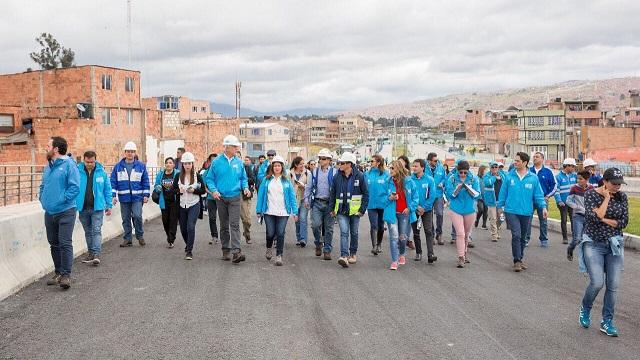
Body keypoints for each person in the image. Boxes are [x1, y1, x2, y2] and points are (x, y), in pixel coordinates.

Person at [577, 167, 628, 337]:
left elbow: (623, 222)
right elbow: (593, 218)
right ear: (604, 182)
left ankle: (607, 321)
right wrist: (606, 199)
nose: (617, 187)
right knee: (597, 282)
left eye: (620, 184)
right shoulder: (591, 194)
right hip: (593, 244)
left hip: (614, 245)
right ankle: (586, 308)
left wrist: (603, 218)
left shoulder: (622, 197)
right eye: (614, 184)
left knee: (613, 286)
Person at [40, 136, 80, 289]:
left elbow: (75, 187)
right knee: (53, 243)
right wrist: (42, 198)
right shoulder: (48, 166)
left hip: (66, 211)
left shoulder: (70, 165)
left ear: (56, 149)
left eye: (48, 145)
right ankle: (58, 272)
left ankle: (66, 275)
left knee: (64, 243)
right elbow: (43, 185)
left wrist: (62, 199)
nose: (45, 147)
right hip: (49, 212)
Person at [205, 135, 251, 263]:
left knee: (235, 224)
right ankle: (226, 250)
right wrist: (214, 191)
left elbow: (243, 178)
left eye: (237, 146)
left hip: (235, 197)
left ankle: (236, 252)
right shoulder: (216, 162)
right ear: (227, 147)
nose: (237, 148)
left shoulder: (239, 162)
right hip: (221, 198)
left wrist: (245, 188)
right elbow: (209, 179)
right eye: (235, 146)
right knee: (224, 225)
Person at [498, 152, 547, 272]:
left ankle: (520, 257)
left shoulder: (533, 178)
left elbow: (538, 195)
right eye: (515, 160)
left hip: (526, 212)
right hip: (511, 211)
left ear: (525, 163)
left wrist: (543, 207)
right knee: (516, 235)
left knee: (523, 237)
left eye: (518, 161)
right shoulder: (509, 177)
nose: (515, 162)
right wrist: (500, 207)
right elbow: (503, 193)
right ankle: (517, 261)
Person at [256, 155, 299, 266]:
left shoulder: (286, 181)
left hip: (283, 212)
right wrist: (258, 210)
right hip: (269, 211)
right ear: (272, 167)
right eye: (275, 165)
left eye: (279, 166)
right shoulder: (266, 180)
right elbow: (261, 195)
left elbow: (292, 197)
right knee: (270, 233)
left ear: (282, 167)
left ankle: (279, 255)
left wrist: (295, 212)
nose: (277, 168)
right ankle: (269, 247)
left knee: (280, 233)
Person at [330, 152, 368, 268]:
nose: (340, 164)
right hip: (341, 210)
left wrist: (362, 210)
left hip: (355, 212)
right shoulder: (337, 176)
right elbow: (332, 194)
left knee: (354, 232)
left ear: (349, 164)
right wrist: (332, 208)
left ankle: (353, 253)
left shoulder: (360, 176)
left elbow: (366, 194)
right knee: (344, 232)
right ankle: (344, 256)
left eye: (342, 163)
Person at [111, 141, 150, 247]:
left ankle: (139, 235)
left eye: (132, 151)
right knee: (126, 219)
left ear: (135, 153)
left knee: (137, 216)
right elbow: (113, 182)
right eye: (128, 151)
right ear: (125, 152)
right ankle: (127, 239)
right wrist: (113, 196)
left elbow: (145, 181)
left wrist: (146, 195)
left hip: (137, 197)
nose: (130, 153)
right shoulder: (118, 167)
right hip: (124, 198)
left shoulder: (141, 166)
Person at [76, 150, 112, 266]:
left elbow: (107, 190)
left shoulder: (102, 172)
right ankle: (91, 253)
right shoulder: (77, 172)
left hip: (97, 207)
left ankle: (96, 254)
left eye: (92, 162)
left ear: (95, 160)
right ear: (84, 160)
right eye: (87, 162)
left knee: (96, 230)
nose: (90, 164)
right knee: (88, 231)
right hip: (83, 207)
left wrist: (109, 205)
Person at [383, 160, 418, 270]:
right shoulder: (387, 182)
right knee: (394, 237)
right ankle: (394, 260)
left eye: (393, 168)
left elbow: (415, 198)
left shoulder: (409, 182)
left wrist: (410, 208)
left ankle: (402, 254)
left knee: (403, 237)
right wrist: (390, 198)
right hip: (391, 213)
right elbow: (381, 199)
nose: (391, 170)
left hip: (404, 214)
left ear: (398, 169)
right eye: (390, 168)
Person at [445, 160, 481, 268]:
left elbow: (478, 194)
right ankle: (460, 257)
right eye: (461, 172)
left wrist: (470, 190)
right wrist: (457, 189)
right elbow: (449, 194)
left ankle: (464, 252)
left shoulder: (474, 178)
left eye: (465, 172)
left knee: (466, 233)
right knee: (460, 233)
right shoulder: (452, 178)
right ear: (457, 171)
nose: (463, 174)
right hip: (456, 208)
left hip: (470, 209)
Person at [304, 148, 336, 259]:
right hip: (317, 202)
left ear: (329, 160)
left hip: (330, 203)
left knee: (329, 228)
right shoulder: (314, 172)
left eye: (323, 159)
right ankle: (318, 243)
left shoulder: (334, 172)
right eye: (320, 158)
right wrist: (306, 200)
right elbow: (309, 187)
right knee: (315, 225)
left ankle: (327, 250)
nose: (320, 161)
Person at [172, 152, 205, 260]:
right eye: (185, 163)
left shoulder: (197, 176)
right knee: (183, 229)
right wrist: (179, 191)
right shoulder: (177, 176)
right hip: (181, 205)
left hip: (194, 204)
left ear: (192, 164)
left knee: (190, 226)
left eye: (189, 163)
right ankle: (188, 244)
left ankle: (189, 251)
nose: (187, 166)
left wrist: (194, 190)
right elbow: (172, 190)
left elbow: (203, 190)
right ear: (182, 164)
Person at [525, 151, 556, 248]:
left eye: (537, 157)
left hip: (542, 200)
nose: (534, 158)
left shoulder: (548, 172)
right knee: (527, 220)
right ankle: (526, 239)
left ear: (542, 159)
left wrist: (547, 196)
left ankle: (544, 239)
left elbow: (554, 186)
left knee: (543, 221)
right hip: (529, 200)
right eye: (533, 157)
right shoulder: (528, 171)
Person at [410, 159, 437, 263]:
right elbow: (409, 195)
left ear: (422, 167)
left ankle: (431, 254)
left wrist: (424, 208)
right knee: (416, 232)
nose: (414, 168)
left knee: (428, 231)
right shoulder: (410, 180)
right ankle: (418, 252)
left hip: (427, 210)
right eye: (413, 166)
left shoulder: (429, 179)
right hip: (414, 209)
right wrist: (417, 207)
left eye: (416, 166)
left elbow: (432, 195)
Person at [566, 170, 594, 261]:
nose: (578, 180)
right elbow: (568, 201)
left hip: (588, 217)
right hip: (577, 216)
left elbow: (594, 202)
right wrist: (577, 207)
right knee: (577, 238)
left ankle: (584, 258)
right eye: (577, 178)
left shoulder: (591, 188)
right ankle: (570, 249)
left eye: (580, 179)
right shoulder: (574, 188)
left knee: (585, 239)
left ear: (587, 179)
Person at [365, 154, 390, 255]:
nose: (370, 163)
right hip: (371, 204)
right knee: (373, 225)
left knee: (380, 226)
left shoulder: (386, 175)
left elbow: (390, 188)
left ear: (378, 163)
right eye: (370, 161)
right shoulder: (366, 174)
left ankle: (379, 243)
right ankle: (374, 246)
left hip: (383, 204)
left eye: (372, 161)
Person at [154, 157, 180, 248]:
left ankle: (171, 239)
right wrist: (157, 187)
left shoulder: (177, 173)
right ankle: (169, 235)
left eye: (170, 162)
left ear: (173, 164)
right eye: (167, 163)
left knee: (173, 221)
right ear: (165, 165)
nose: (168, 164)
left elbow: (180, 184)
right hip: (164, 201)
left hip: (174, 201)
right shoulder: (160, 175)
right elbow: (156, 185)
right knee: (165, 221)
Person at [425, 153, 447, 245]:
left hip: (438, 194)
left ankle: (439, 234)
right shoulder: (424, 168)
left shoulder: (441, 168)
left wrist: (442, 183)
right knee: (429, 216)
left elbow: (445, 178)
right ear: (429, 161)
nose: (436, 162)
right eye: (435, 160)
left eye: (437, 160)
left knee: (439, 214)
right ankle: (432, 235)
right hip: (428, 195)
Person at [555, 158, 578, 244]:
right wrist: (559, 201)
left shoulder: (574, 176)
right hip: (563, 203)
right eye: (572, 166)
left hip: (572, 202)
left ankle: (575, 237)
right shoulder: (558, 177)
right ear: (567, 166)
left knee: (573, 219)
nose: (573, 168)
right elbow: (556, 190)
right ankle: (565, 238)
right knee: (564, 219)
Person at [290, 156, 310, 247]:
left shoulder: (307, 173)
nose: (303, 165)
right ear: (296, 164)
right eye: (301, 164)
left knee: (303, 218)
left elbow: (310, 186)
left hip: (304, 198)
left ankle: (303, 239)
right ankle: (298, 238)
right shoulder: (289, 173)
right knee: (297, 220)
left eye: (303, 163)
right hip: (294, 199)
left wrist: (303, 186)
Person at [483, 162, 505, 242]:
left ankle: (497, 229)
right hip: (491, 200)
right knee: (493, 218)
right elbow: (487, 183)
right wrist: (494, 177)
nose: (495, 168)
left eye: (496, 167)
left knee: (502, 217)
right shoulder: (487, 176)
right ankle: (494, 234)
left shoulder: (502, 175)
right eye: (493, 167)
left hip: (501, 201)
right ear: (490, 168)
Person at [203, 153, 219, 245]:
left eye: (215, 160)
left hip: (221, 198)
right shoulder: (206, 172)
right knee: (212, 218)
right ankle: (214, 236)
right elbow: (204, 186)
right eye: (212, 160)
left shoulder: (221, 171)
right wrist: (212, 193)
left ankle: (226, 236)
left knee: (224, 218)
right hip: (211, 198)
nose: (213, 162)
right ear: (209, 161)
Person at [241, 155, 256, 244]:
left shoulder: (246, 168)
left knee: (246, 219)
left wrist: (244, 179)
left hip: (244, 195)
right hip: (232, 195)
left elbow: (252, 179)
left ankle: (247, 233)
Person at [474, 165, 488, 230]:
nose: (486, 171)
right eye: (485, 170)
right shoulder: (477, 178)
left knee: (485, 211)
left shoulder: (487, 178)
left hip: (486, 197)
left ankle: (484, 225)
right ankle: (477, 219)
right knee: (481, 209)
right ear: (482, 170)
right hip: (479, 197)